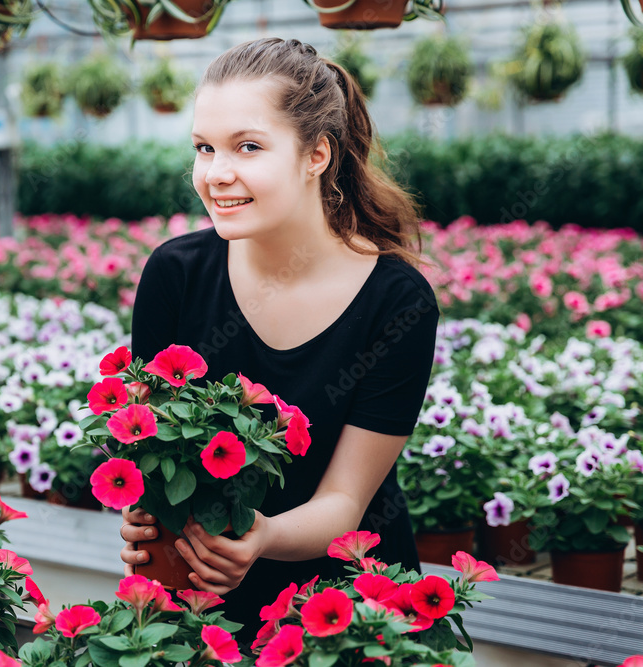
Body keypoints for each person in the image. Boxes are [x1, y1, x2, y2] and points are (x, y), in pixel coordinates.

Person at [120, 37, 441, 647]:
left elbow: (345, 501)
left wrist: (262, 537)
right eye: (203, 148)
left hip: (349, 612)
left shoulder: (396, 301)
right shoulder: (175, 275)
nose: (217, 173)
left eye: (248, 147)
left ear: (317, 153)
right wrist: (145, 525)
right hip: (200, 594)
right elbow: (152, 448)